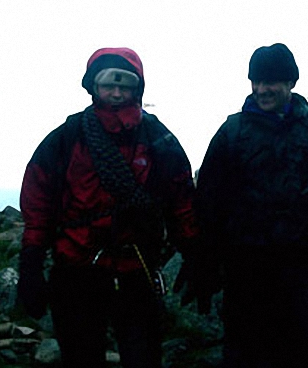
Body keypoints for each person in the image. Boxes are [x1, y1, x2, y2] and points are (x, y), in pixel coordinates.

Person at [17, 47, 202, 368]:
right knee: (81, 357)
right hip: (76, 271)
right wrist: (31, 264)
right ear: (93, 87)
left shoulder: (158, 140)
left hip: (137, 269)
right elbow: (38, 199)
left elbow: (181, 198)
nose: (117, 94)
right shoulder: (66, 139)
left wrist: (196, 254)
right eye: (108, 86)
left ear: (137, 89)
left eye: (125, 86)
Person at [193, 43, 308, 367]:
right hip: (247, 275)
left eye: (270, 81)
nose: (261, 89)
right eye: (255, 81)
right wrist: (205, 263)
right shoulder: (231, 133)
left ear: (291, 83)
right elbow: (208, 204)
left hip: (307, 274)